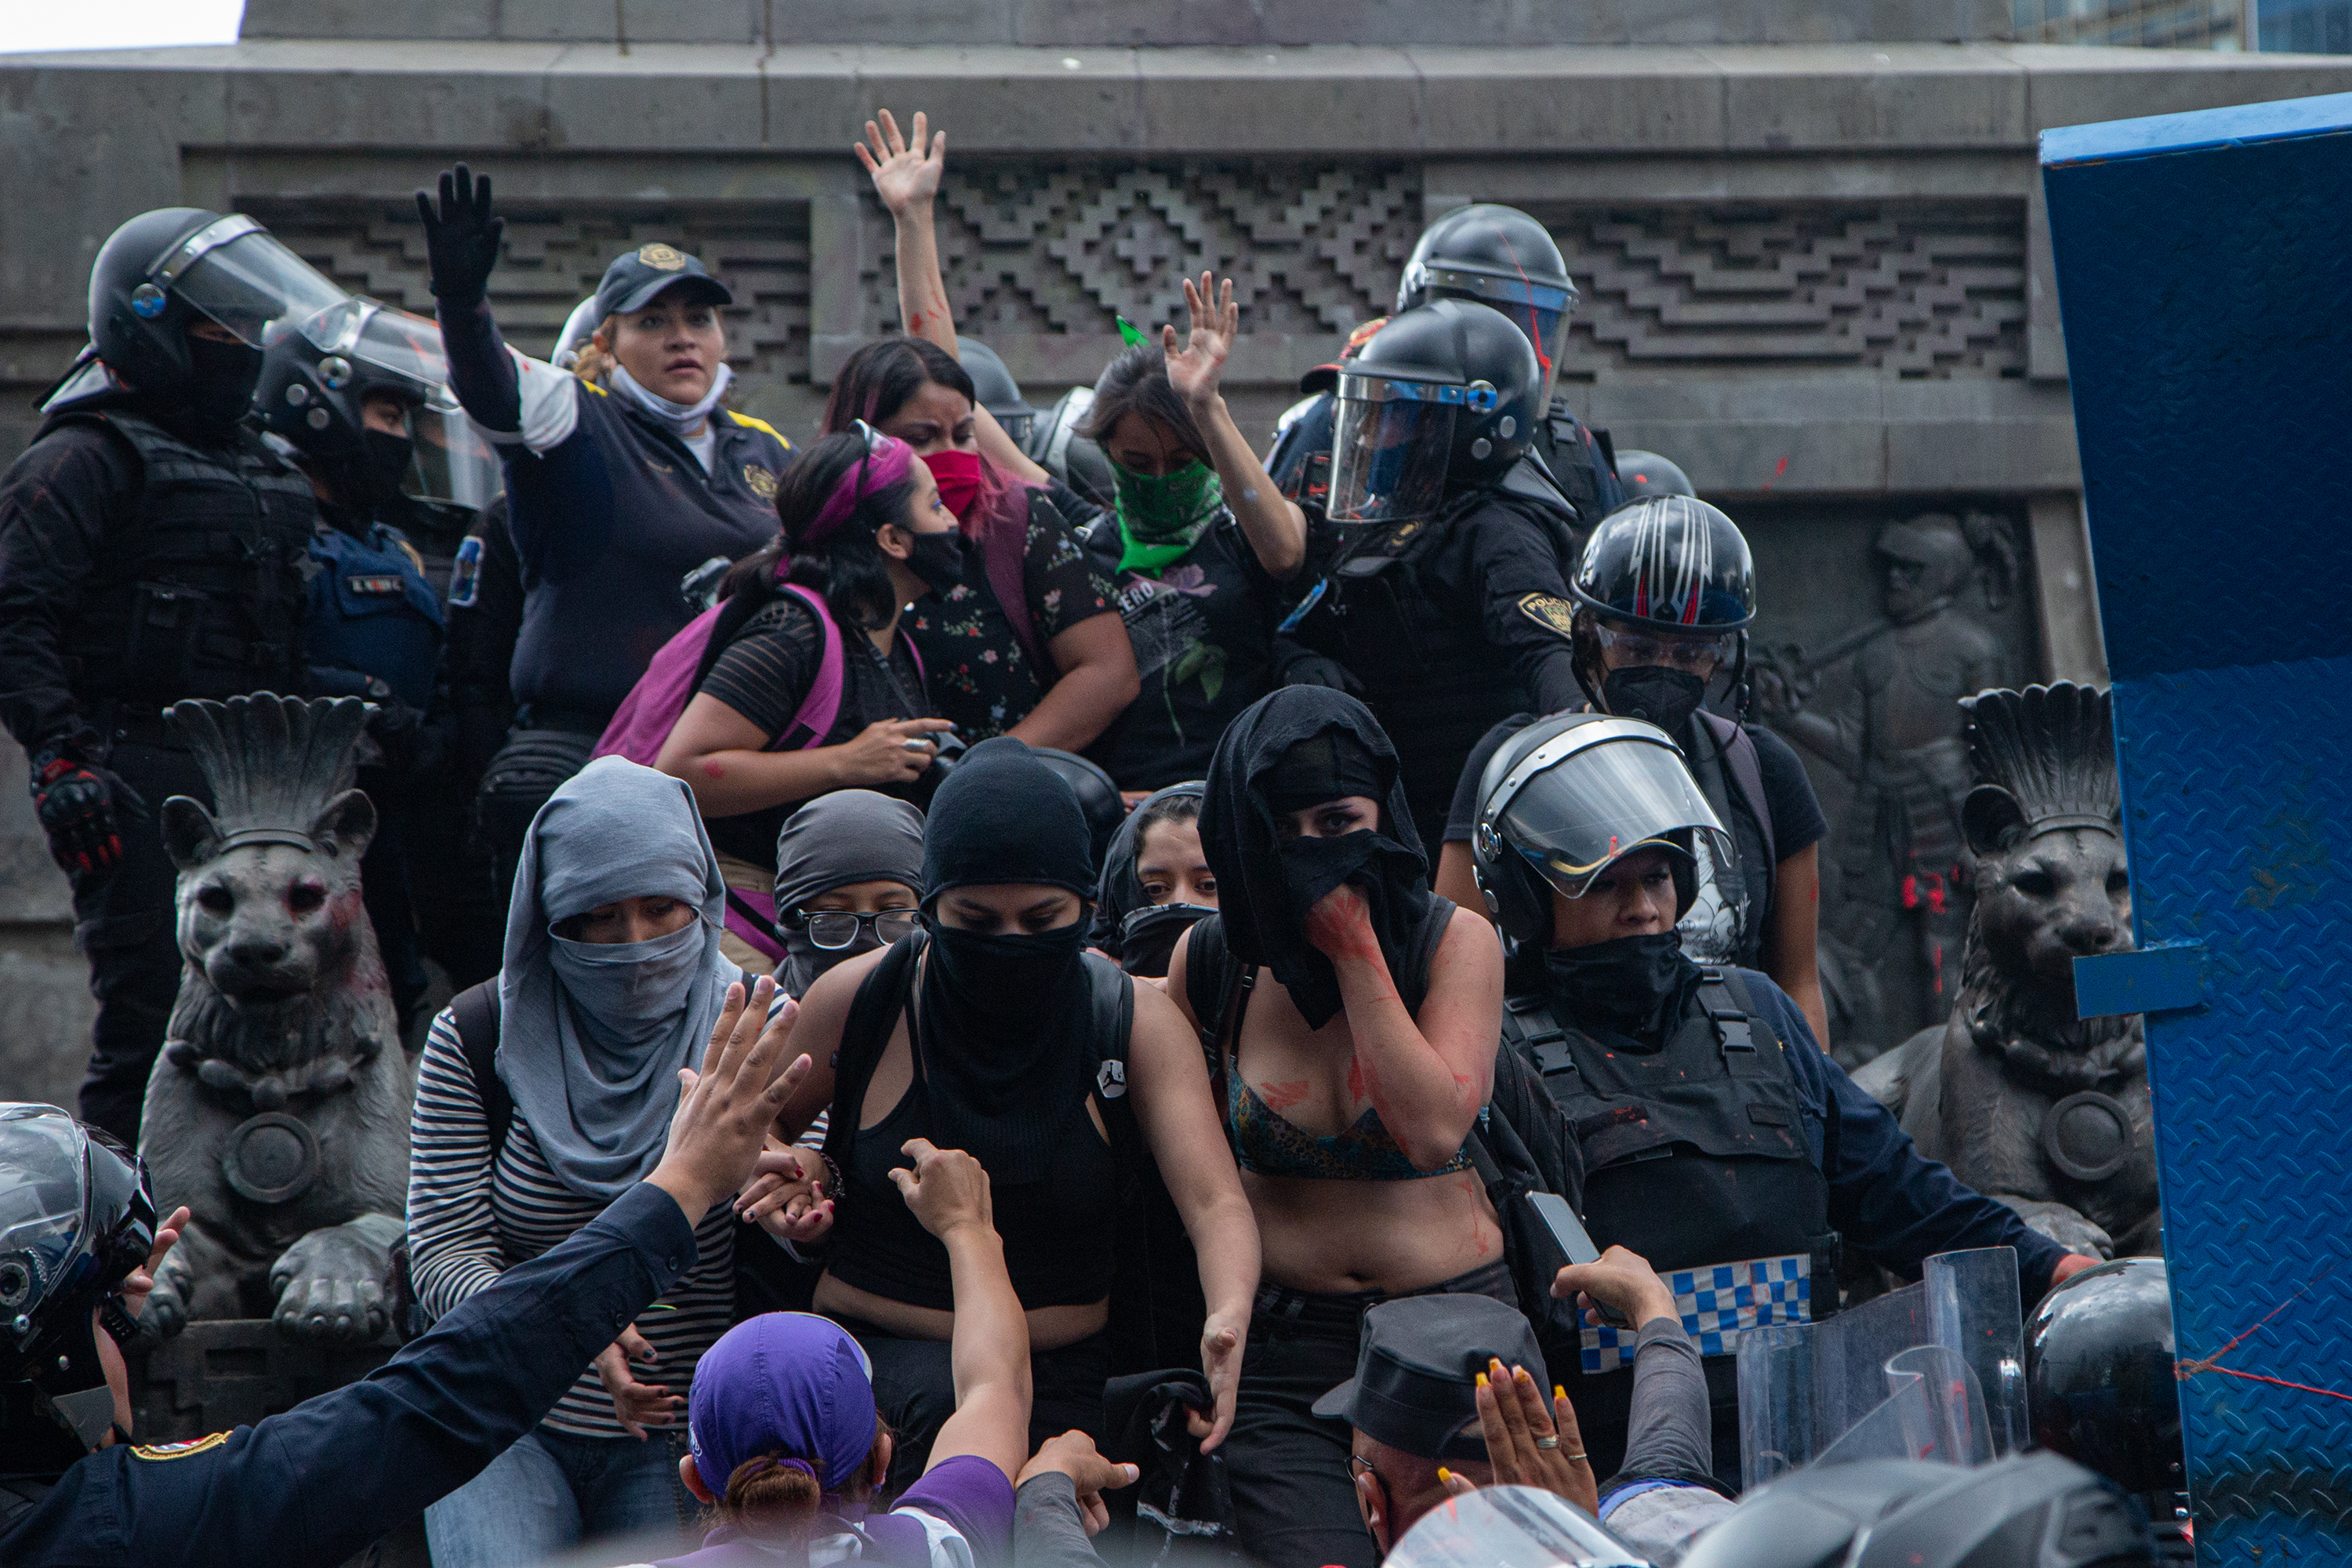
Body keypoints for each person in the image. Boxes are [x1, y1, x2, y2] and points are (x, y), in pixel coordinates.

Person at [1465, 713, 2098, 1483]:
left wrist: (2054, 1265)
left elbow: (1900, 1190)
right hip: (1626, 1479)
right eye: (1608, 880)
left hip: (1810, 1461)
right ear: (1530, 903)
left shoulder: (1759, 1014)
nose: (1643, 907)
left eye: (1658, 876)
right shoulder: (1499, 1059)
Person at [0, 982, 815, 1567]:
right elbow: (431, 1400)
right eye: (110, 1318)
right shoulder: (103, 1529)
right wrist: (680, 1189)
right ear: (45, 1347)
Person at [741, 738, 1258, 1491]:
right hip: (867, 1377)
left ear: (1088, 907)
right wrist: (796, 1166)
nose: (1012, 945)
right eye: (977, 923)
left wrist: (1229, 1314)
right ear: (929, 909)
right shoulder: (861, 999)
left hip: (1058, 1388)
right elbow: (748, 1125)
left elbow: (1215, 1203)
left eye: (1043, 918)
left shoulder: (1132, 1023)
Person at [0, 207, 347, 1146]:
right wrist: (64, 760)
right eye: (216, 327)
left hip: (259, 780)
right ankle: (113, 1247)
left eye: (248, 326)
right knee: (152, 1012)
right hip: (133, 768)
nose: (240, 346)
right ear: (148, 323)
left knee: (287, 1015)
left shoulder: (266, 465)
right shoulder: (83, 455)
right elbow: (14, 614)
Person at [1164, 687, 1506, 1568]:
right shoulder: (1211, 967)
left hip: (1456, 1335)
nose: (1318, 851)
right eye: (1287, 832)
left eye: (1340, 819)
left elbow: (1432, 1129)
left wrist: (1355, 947)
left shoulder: (1452, 943)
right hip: (1288, 1359)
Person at [405, 755, 773, 1566]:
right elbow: (441, 1251)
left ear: (704, 896)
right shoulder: (476, 1035)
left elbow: (798, 1197)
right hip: (503, 1411)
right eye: (599, 918)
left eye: (660, 909)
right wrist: (560, 1322)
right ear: (548, 919)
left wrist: (790, 1197)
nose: (635, 945)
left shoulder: (757, 1024)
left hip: (687, 1432)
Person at [415, 165, 797, 898]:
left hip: (729, 761)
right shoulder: (576, 421)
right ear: (607, 343)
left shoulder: (768, 450)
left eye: (698, 319)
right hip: (588, 748)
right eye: (652, 323)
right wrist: (461, 305)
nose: (681, 339)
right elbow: (491, 385)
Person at [1434, 496, 1831, 1045]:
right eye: (1639, 646)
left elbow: (1798, 981)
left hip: (1733, 1091)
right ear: (1587, 638)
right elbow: (1452, 968)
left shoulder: (1765, 772)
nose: (1663, 670)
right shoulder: (1509, 765)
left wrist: (1809, 1107)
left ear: (1722, 658)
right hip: (1558, 1093)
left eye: (1690, 654)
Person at [846, 111, 1138, 750]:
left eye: (962, 436)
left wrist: (992, 772)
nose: (946, 457)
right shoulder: (825, 540)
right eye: (917, 441)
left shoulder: (1017, 514)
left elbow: (1107, 673)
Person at [623, 429, 958, 968]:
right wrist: (845, 763)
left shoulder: (892, 645)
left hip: (826, 916)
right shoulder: (793, 630)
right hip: (735, 909)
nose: (951, 524)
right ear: (894, 540)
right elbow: (682, 770)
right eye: (936, 505)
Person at [261, 296, 501, 1034]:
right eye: (387, 417)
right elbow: (264, 659)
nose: (399, 440)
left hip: (413, 805)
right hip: (317, 810)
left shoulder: (391, 543)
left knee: (428, 992)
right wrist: (361, 702)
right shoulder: (275, 521)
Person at [1279, 298, 1587, 851]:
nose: (1372, 437)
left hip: (1475, 842)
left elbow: (1551, 658)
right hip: (1400, 826)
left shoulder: (1498, 533)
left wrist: (1582, 734)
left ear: (1472, 422)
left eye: (1397, 415)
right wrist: (1304, 659)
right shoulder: (1394, 520)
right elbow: (1303, 622)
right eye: (1371, 416)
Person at [633, 1142, 1030, 1568]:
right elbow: (996, 1386)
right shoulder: (936, 1550)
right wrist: (965, 1226)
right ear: (881, 1459)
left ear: (695, 1480)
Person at [1069, 302, 1317, 790]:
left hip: (1235, 799)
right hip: (1124, 811)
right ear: (1108, 455)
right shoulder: (1080, 552)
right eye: (1137, 463)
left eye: (1182, 460)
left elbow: (1286, 553)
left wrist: (1207, 407)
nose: (1161, 479)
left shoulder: (1239, 535)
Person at [1392, 204, 1624, 528]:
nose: (1521, 351)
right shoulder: (1373, 419)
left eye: (1533, 329)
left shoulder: (1576, 452)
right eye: (1483, 326)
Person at [1091, 781, 1214, 980]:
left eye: (1209, 885)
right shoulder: (1095, 991)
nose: (1180, 902)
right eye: (1155, 889)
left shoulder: (1276, 990)